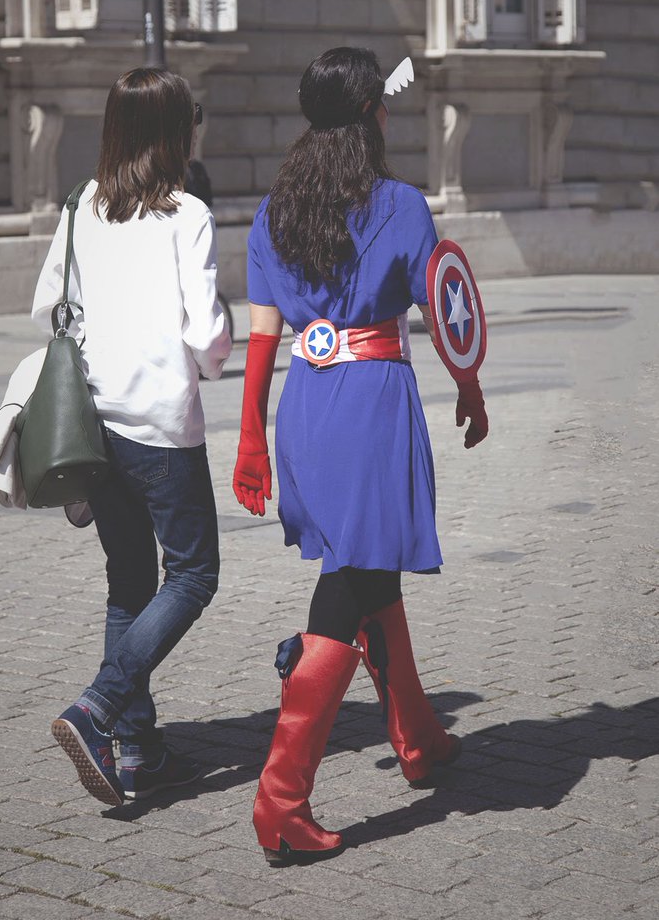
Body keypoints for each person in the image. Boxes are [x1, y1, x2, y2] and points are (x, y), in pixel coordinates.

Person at [232, 47, 489, 866]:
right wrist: (470, 387)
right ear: (374, 116)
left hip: (304, 407)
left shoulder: (273, 212)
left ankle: (415, 736)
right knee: (347, 585)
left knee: (369, 572)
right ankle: (280, 802)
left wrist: (247, 436)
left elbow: (263, 336)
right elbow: (444, 304)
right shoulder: (403, 204)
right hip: (373, 401)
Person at [33, 68, 231, 807]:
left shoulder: (82, 203)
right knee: (193, 575)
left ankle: (139, 751)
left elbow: (46, 303)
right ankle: (98, 707)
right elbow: (207, 337)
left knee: (129, 580)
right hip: (160, 426)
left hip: (96, 421)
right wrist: (222, 352)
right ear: (175, 133)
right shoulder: (187, 215)